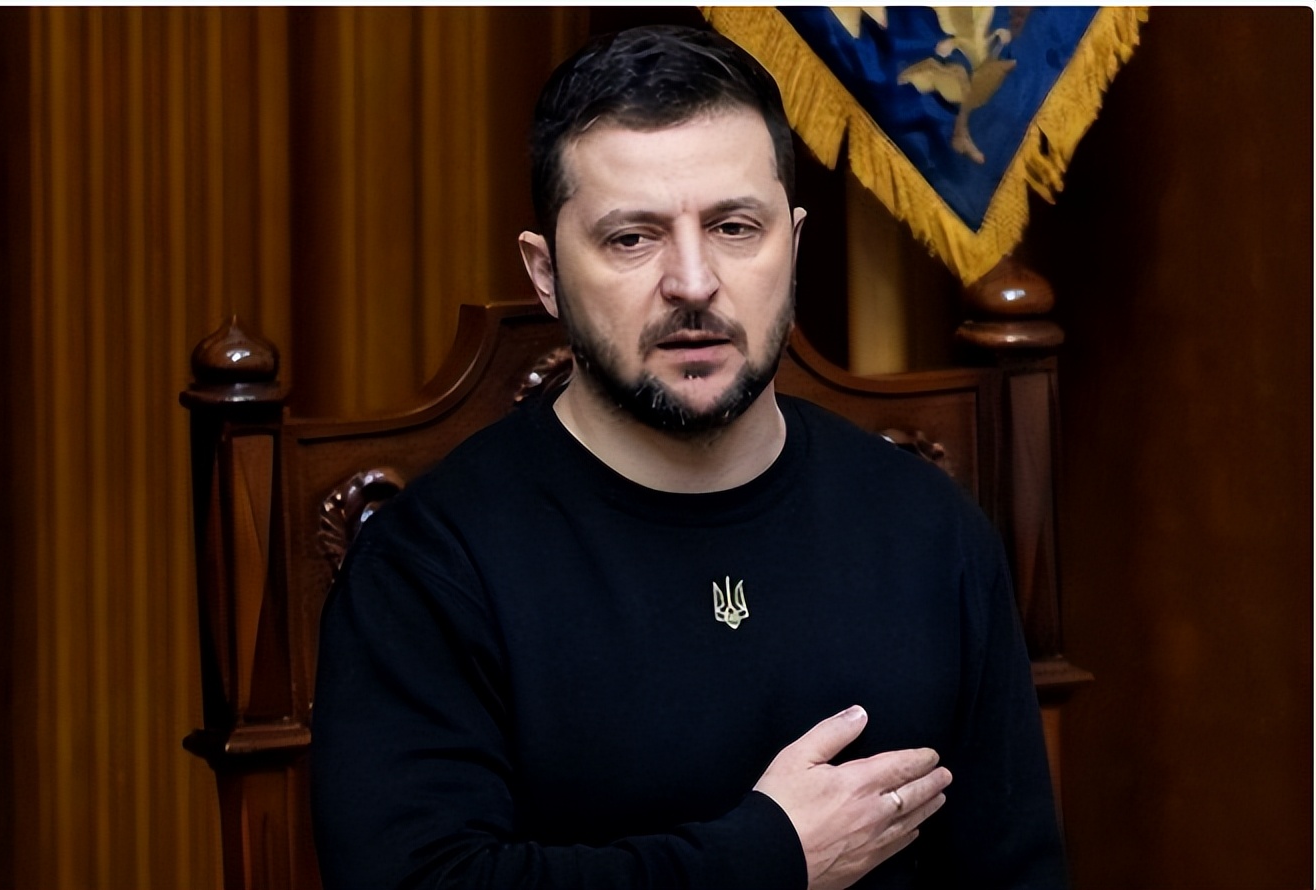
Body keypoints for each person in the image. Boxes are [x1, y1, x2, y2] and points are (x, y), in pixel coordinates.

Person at [311, 24, 1067, 890]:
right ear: (546, 272)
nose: (694, 281)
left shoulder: (929, 531)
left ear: (794, 245)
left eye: (735, 227)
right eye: (632, 238)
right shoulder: (430, 565)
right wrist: (771, 857)